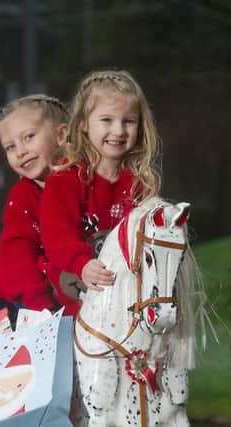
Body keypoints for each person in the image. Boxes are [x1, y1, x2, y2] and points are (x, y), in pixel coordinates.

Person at [40, 70, 162, 293]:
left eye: (128, 121)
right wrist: (82, 264)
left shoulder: (141, 185)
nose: (118, 130)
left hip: (126, 295)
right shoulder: (65, 179)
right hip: (72, 297)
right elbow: (57, 236)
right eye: (107, 120)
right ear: (84, 123)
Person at [0, 95, 80, 328]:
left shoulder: (87, 182)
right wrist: (41, 310)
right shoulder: (23, 198)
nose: (20, 151)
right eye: (10, 147)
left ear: (61, 135)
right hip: (14, 298)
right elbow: (18, 257)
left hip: (64, 293)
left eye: (29, 137)